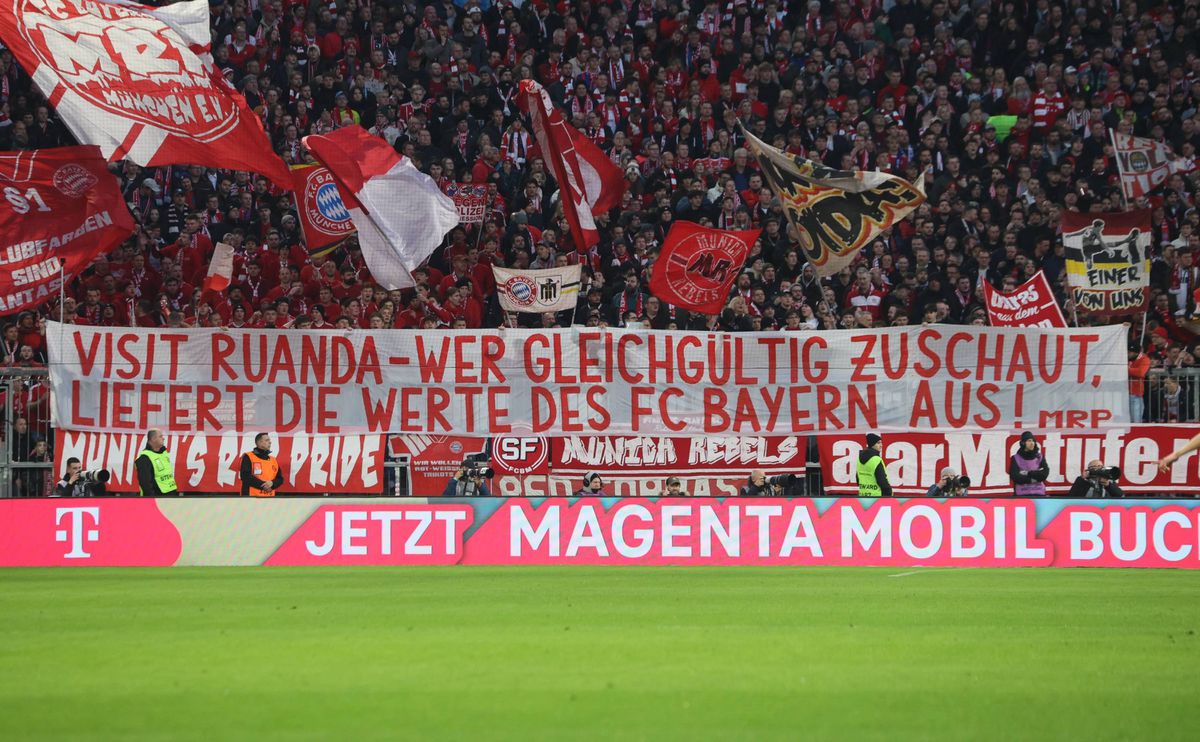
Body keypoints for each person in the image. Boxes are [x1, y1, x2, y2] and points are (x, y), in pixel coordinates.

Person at [134, 428, 180, 497]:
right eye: (160, 436)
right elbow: (146, 484)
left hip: (171, 495)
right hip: (157, 498)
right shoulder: (144, 458)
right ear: (153, 439)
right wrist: (152, 500)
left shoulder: (164, 453)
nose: (163, 438)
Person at [239, 433, 284, 497]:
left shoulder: (273, 460)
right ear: (259, 443)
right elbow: (245, 476)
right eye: (267, 440)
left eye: (269, 440)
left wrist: (272, 483)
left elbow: (280, 479)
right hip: (251, 497)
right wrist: (263, 485)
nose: (270, 442)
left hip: (269, 498)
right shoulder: (248, 456)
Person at [1009, 431, 1049, 496]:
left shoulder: (1039, 457)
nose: (1032, 443)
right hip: (1022, 494)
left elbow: (1044, 474)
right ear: (1023, 443)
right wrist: (1034, 479)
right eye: (1029, 441)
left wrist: (1028, 473)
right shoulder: (1015, 458)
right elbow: (1015, 477)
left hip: (1039, 493)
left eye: (1033, 441)